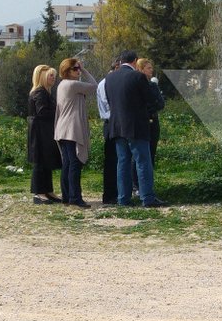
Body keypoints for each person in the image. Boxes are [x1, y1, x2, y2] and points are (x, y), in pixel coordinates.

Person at [105, 50, 166, 208]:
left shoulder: (110, 77)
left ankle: (123, 198)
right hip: (136, 125)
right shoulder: (137, 76)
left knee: (123, 162)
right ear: (135, 61)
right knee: (142, 161)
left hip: (117, 125)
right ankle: (147, 197)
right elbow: (150, 100)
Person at [54, 57, 97, 208]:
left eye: (78, 68)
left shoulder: (62, 85)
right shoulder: (72, 85)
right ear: (67, 71)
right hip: (71, 129)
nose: (78, 71)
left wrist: (80, 68)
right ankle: (75, 197)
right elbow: (94, 85)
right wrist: (85, 70)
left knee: (67, 163)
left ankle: (67, 196)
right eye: (75, 69)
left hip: (62, 128)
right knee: (74, 164)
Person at [27, 64, 61, 205]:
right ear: (42, 77)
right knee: (40, 161)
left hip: (44, 130)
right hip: (40, 131)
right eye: (50, 75)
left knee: (46, 161)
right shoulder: (40, 92)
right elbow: (42, 112)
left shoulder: (45, 92)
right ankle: (39, 192)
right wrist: (59, 112)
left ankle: (47, 190)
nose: (53, 78)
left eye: (54, 75)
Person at [132, 58, 165, 195]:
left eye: (151, 68)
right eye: (148, 68)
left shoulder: (153, 85)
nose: (151, 71)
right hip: (142, 121)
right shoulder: (137, 85)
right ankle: (136, 185)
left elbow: (161, 104)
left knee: (151, 153)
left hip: (153, 121)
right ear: (140, 69)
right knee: (138, 155)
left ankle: (147, 184)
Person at [96, 57, 121, 206]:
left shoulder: (107, 81)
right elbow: (108, 104)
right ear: (117, 67)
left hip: (112, 121)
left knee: (118, 159)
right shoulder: (106, 83)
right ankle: (110, 195)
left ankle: (116, 192)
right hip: (111, 122)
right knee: (112, 161)